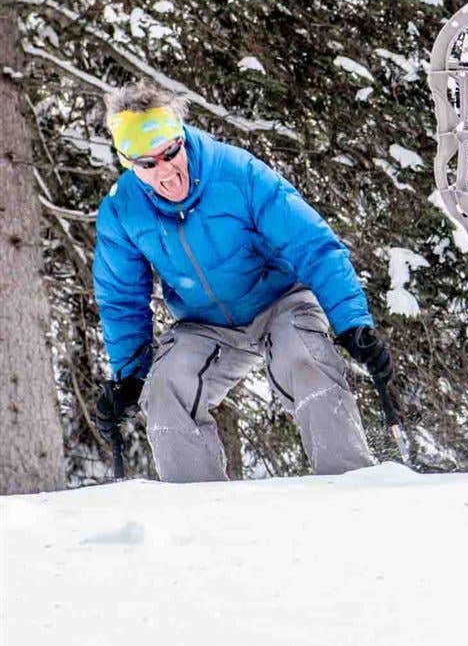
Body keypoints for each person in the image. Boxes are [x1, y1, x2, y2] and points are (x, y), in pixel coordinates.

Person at [91, 84, 391, 481]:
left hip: (279, 301)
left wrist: (352, 321)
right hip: (205, 325)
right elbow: (121, 298)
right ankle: (196, 511)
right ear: (129, 164)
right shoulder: (122, 210)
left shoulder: (236, 172)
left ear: (182, 137)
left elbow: (312, 244)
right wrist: (130, 375)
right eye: (147, 163)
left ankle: (349, 482)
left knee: (303, 357)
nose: (164, 170)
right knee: (166, 388)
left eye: (170, 152)